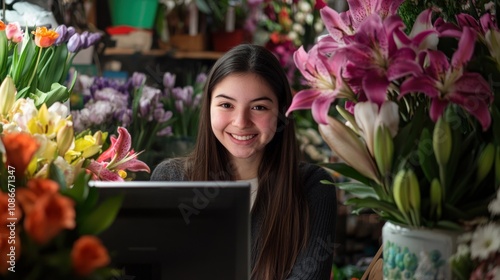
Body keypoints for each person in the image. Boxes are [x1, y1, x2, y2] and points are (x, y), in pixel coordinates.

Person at [151, 44, 337, 280]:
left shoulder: (313, 187)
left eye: (259, 107)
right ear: (208, 107)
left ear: (281, 112)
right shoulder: (170, 179)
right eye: (226, 105)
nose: (241, 122)